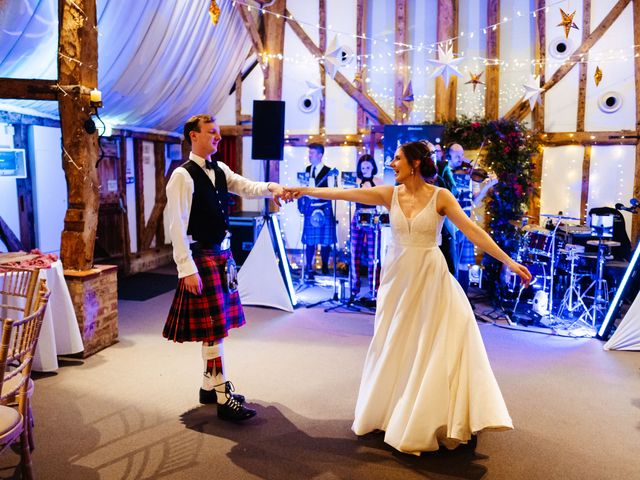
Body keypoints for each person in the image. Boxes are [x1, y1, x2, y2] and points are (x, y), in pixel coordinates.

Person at [285, 141, 531, 454]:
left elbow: (472, 231)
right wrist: (303, 190)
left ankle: (440, 418)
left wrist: (509, 261)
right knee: (397, 344)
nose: (391, 163)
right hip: (397, 280)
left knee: (437, 343)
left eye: (397, 159)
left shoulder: (441, 196)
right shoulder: (388, 194)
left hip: (431, 278)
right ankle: (394, 410)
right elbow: (341, 194)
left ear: (414, 163)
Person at [163, 114, 289, 422]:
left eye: (218, 133)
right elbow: (175, 225)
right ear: (194, 136)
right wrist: (186, 268)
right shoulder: (182, 175)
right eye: (212, 133)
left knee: (215, 328)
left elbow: (245, 187)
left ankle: (209, 385)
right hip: (201, 258)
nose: (218, 138)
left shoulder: (219, 169)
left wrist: (272, 186)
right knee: (214, 329)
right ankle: (221, 393)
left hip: (221, 257)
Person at [448, 143, 497, 290]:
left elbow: (475, 200)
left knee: (464, 263)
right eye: (457, 155)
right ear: (448, 156)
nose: (461, 158)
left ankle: (463, 297)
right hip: (448, 223)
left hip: (465, 223)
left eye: (462, 155)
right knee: (448, 260)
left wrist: (487, 186)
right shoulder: (445, 174)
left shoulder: (469, 175)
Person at [298, 143, 337, 276]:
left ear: (320, 155)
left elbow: (333, 191)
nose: (309, 156)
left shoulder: (329, 171)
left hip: (324, 209)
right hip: (310, 209)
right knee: (310, 240)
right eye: (309, 153)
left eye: (312, 153)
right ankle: (309, 267)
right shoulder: (307, 169)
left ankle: (325, 266)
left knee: (325, 242)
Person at [349, 154, 382, 301]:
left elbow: (383, 200)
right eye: (363, 168)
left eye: (368, 167)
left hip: (373, 218)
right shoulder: (355, 181)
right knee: (354, 253)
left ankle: (374, 289)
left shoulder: (379, 181)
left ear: (373, 167)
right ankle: (353, 289)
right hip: (357, 216)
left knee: (373, 255)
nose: (365, 170)